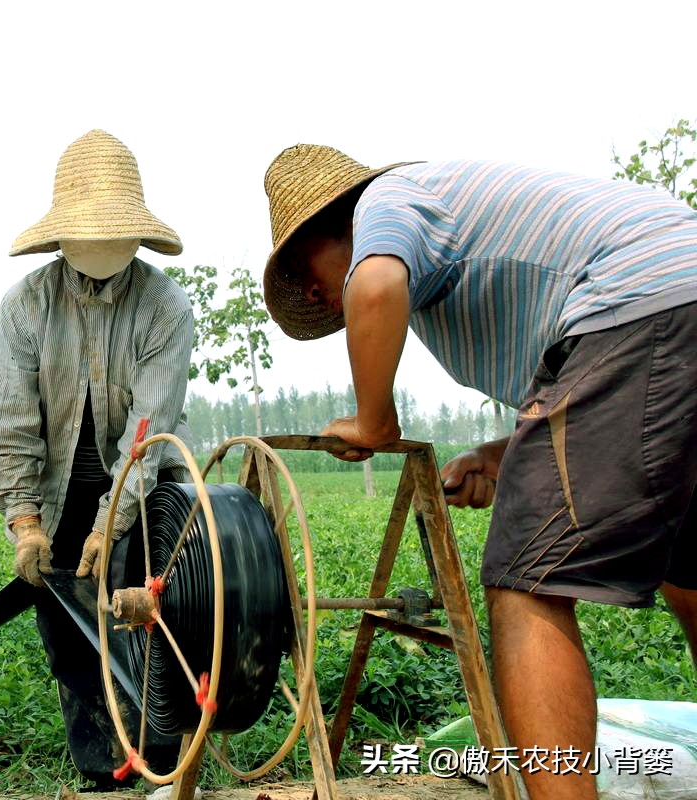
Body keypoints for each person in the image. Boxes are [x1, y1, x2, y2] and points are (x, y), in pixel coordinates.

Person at [259, 144, 697, 800]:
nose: (317, 293)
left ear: (339, 224)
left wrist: (374, 421)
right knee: (689, 570)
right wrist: (499, 457)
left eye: (306, 271)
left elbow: (375, 287)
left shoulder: (387, 204)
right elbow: (590, 407)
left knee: (529, 582)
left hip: (638, 303)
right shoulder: (456, 249)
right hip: (671, 306)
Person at [0, 129, 195, 790]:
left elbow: (147, 431)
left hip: (149, 488)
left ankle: (163, 756)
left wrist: (113, 522)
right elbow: (12, 422)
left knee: (154, 619)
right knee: (71, 632)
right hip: (59, 495)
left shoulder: (165, 307)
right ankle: (102, 765)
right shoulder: (26, 306)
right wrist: (26, 523)